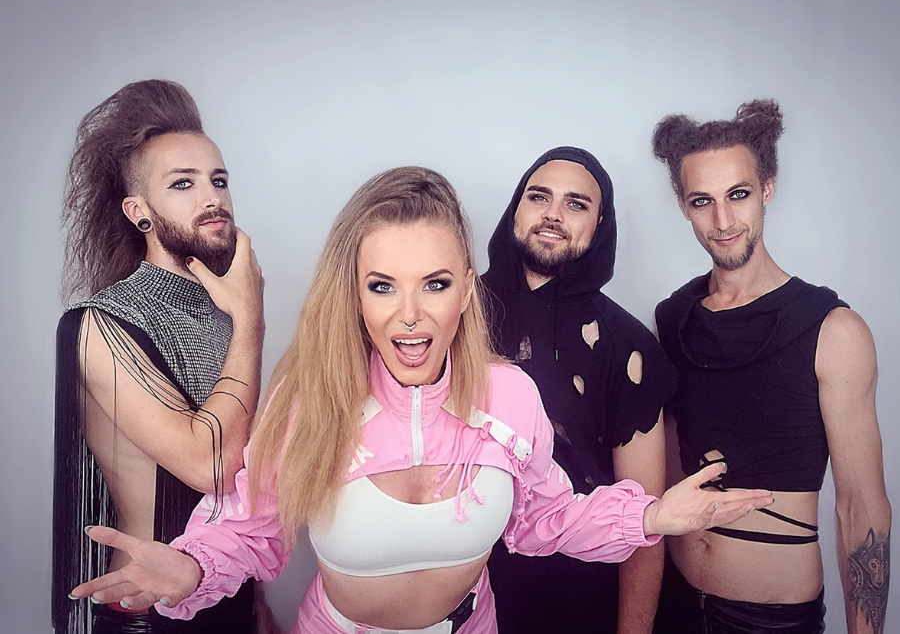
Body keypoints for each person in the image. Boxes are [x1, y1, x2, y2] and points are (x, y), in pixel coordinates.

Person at [69, 167, 772, 634]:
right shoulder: (312, 400)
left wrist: (653, 514)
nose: (410, 316)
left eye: (434, 284)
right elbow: (253, 529)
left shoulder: (510, 395)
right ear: (355, 295)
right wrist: (188, 567)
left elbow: (543, 518)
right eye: (383, 286)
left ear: (466, 289)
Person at [651, 100, 891, 634]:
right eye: (702, 201)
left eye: (738, 194)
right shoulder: (672, 318)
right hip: (675, 598)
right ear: (683, 206)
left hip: (770, 619)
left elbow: (861, 508)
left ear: (767, 189)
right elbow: (658, 473)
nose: (723, 221)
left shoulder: (832, 330)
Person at [53, 80, 265, 633]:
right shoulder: (101, 324)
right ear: (139, 212)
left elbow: (241, 484)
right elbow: (211, 468)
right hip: (148, 614)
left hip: (225, 592)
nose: (212, 198)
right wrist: (252, 320)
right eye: (183, 183)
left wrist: (256, 599)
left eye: (219, 180)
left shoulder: (224, 310)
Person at [482, 147, 677, 633]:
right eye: (539, 197)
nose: (553, 214)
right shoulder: (453, 313)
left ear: (599, 224)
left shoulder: (628, 345)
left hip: (578, 602)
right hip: (456, 597)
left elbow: (646, 516)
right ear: (515, 209)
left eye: (576, 203)